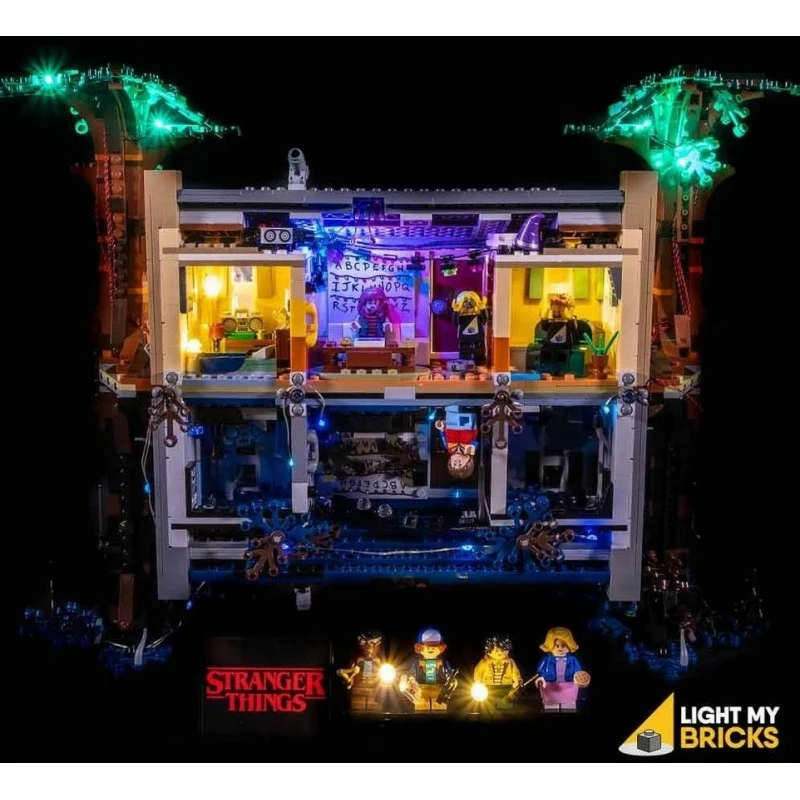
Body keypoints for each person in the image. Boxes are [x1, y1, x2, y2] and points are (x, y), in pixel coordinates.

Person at [533, 626, 591, 711]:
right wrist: (540, 678)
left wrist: (581, 679)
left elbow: (579, 672)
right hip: (550, 687)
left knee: (569, 705)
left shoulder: (573, 660)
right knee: (551, 706)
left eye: (563, 645)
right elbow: (540, 672)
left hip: (569, 686)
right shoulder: (547, 660)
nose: (560, 648)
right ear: (550, 645)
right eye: (557, 645)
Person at [451, 291, 488, 365]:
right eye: (465, 301)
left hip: (478, 341)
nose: (468, 303)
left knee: (480, 357)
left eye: (471, 300)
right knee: (465, 357)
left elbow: (485, 320)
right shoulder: (461, 316)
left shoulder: (477, 314)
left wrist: (483, 308)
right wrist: (456, 311)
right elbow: (455, 322)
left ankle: (480, 362)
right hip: (465, 341)